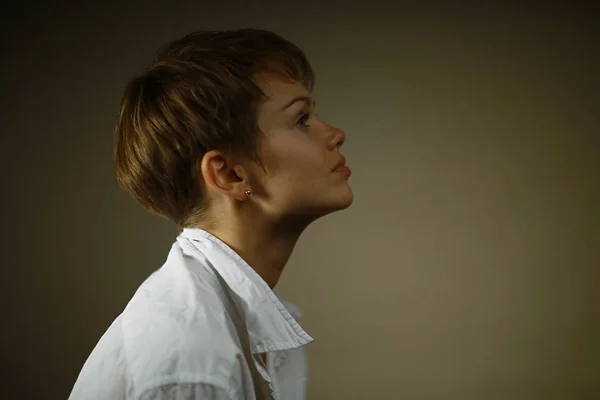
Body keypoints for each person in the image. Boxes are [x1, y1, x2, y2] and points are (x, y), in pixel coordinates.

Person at [69, 28, 353, 400]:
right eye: (301, 120)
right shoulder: (193, 359)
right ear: (230, 175)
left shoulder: (253, 321)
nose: (336, 134)